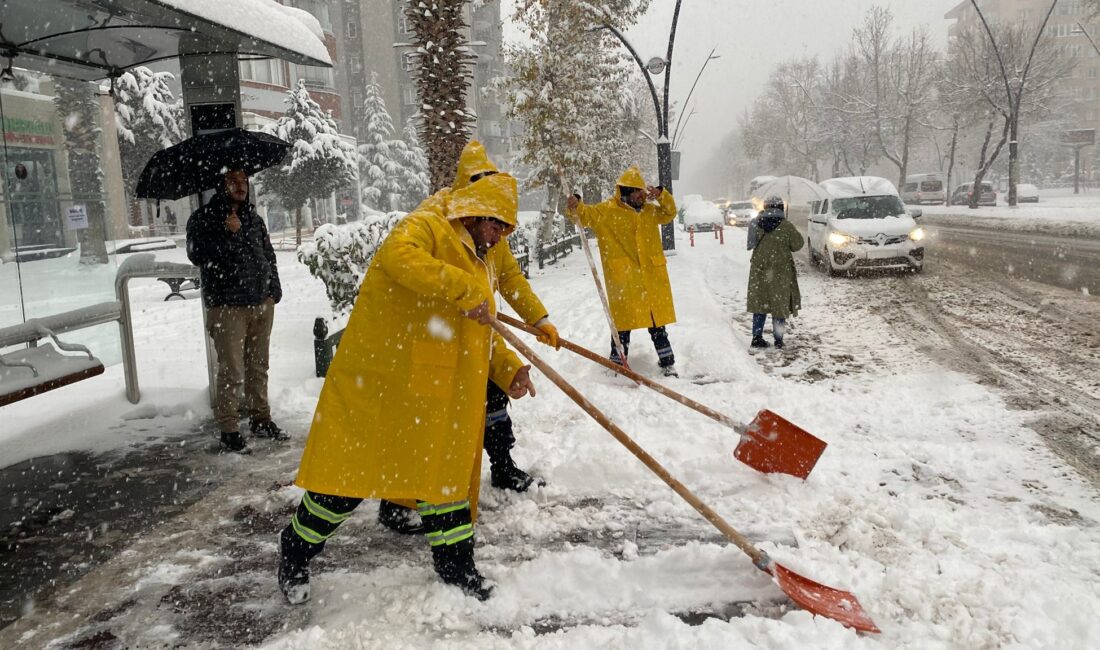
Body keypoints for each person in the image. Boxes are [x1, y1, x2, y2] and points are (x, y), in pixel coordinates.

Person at [277, 172, 536, 605]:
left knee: (440, 479)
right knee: (342, 487)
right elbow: (399, 256)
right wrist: (462, 287)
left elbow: (479, 329)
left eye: (507, 228)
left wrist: (510, 369)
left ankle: (457, 568)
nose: (501, 235)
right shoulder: (427, 225)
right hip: (379, 383)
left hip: (426, 386)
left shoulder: (480, 252)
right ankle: (295, 549)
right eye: (497, 224)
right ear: (474, 211)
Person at [377, 142, 559, 535]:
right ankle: (396, 501)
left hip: (475, 334)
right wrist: (460, 289)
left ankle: (503, 466)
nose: (495, 229)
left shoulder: (489, 226)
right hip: (429, 340)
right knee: (423, 425)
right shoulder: (436, 219)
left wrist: (538, 318)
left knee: (493, 400)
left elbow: (509, 277)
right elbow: (400, 259)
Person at [186, 169, 286, 453]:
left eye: (244, 181)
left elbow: (268, 255)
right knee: (231, 370)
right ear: (222, 185)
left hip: (260, 303)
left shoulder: (254, 217)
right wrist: (224, 232)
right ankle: (229, 428)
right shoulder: (204, 218)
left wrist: (273, 290)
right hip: (228, 306)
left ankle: (261, 419)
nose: (240, 186)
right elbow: (196, 254)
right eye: (233, 181)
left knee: (258, 366)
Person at [566, 166, 679, 377]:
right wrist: (576, 204)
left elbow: (670, 212)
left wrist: (662, 195)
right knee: (622, 325)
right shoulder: (607, 211)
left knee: (657, 323)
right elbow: (584, 215)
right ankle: (617, 364)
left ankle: (667, 362)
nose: (642, 195)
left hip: (650, 278)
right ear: (625, 192)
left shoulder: (650, 211)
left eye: (642, 191)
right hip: (624, 280)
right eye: (637, 191)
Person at [746, 196, 803, 349]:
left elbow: (750, 244)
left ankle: (757, 337)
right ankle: (778, 339)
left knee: (760, 304)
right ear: (781, 208)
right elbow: (798, 245)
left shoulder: (756, 223)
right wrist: (789, 228)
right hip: (780, 272)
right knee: (780, 305)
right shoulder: (786, 226)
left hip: (759, 270)